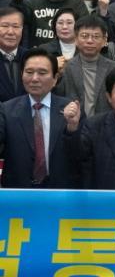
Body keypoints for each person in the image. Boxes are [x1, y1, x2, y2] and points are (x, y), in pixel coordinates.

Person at [0, 48, 81, 188]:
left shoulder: (71, 109)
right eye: (29, 72)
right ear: (21, 75)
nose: (34, 78)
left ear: (55, 79)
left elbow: (80, 155)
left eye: (42, 73)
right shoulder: (6, 110)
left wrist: (72, 128)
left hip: (60, 191)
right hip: (19, 191)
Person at [55, 15, 115, 117]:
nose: (90, 41)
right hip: (74, 124)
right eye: (84, 36)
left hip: (106, 124)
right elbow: (56, 101)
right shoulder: (66, 69)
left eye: (96, 36)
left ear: (104, 40)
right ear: (76, 39)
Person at [0, 7, 26, 102]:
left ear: (22, 29)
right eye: (5, 26)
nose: (10, 32)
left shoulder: (31, 57)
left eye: (16, 27)